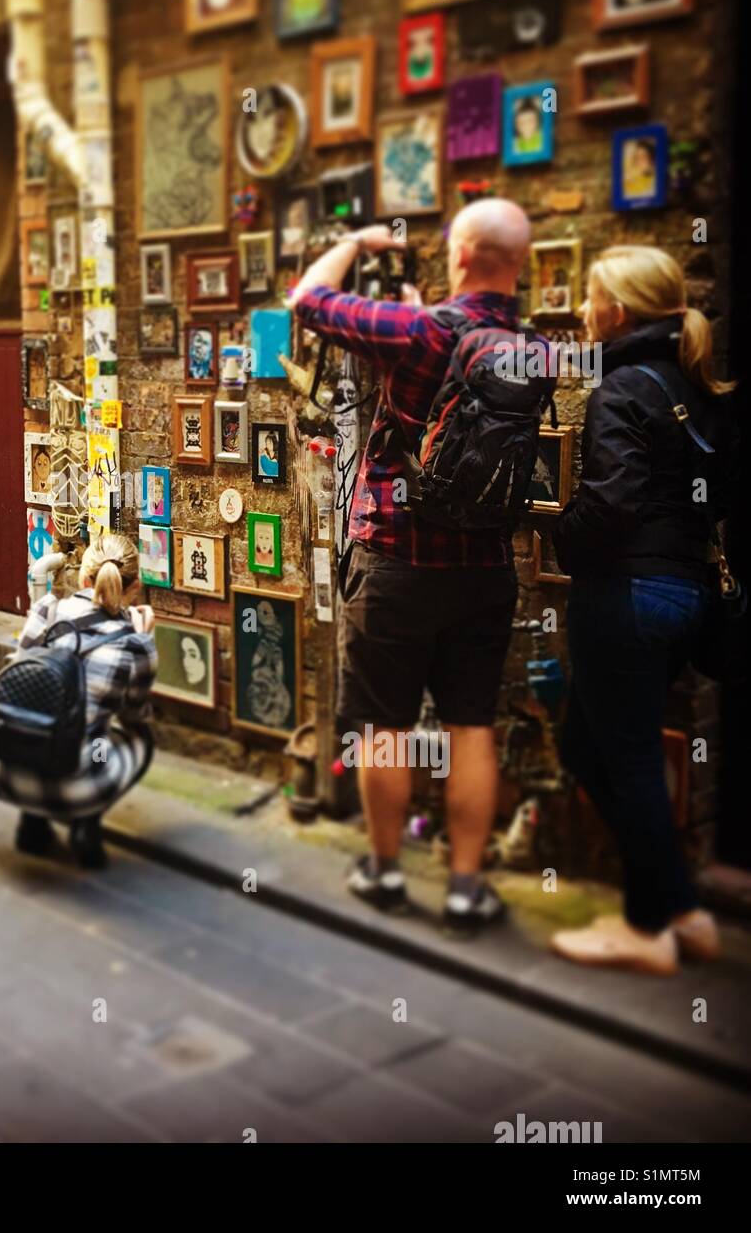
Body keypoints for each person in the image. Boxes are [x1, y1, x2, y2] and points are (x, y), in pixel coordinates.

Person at [287, 198, 534, 933]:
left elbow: (308, 301)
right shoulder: (532, 347)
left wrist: (354, 241)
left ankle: (386, 873)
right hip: (484, 567)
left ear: (459, 254)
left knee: (386, 728)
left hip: (396, 557)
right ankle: (463, 888)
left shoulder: (420, 334)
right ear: (517, 264)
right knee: (471, 727)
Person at [551, 247, 735, 975]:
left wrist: (555, 529)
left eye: (593, 300)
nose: (585, 314)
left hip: (625, 597)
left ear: (618, 311)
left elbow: (611, 505)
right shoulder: (694, 386)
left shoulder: (623, 385)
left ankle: (649, 927)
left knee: (624, 759)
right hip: (684, 594)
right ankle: (684, 911)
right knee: (586, 747)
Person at [0, 533, 157, 869]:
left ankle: (32, 823)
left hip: (8, 768)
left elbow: (18, 677)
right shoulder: (135, 645)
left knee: (41, 715)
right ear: (135, 587)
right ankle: (86, 825)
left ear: (84, 577)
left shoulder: (48, 609)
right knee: (142, 737)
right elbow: (133, 715)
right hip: (77, 788)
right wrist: (142, 640)